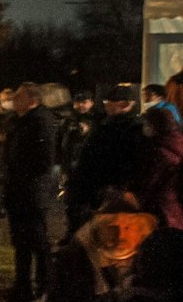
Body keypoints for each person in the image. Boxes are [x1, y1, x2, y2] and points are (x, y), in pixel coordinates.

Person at [66, 84, 154, 232]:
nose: (106, 107)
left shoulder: (131, 130)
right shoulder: (107, 126)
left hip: (111, 193)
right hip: (101, 191)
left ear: (125, 104)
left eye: (110, 103)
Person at [2, 83, 58, 302]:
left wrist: (20, 171)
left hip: (31, 192)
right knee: (21, 242)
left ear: (32, 100)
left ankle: (44, 287)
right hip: (19, 191)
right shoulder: (21, 121)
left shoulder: (40, 122)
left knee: (36, 240)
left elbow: (44, 160)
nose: (14, 100)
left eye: (18, 96)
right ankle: (21, 286)